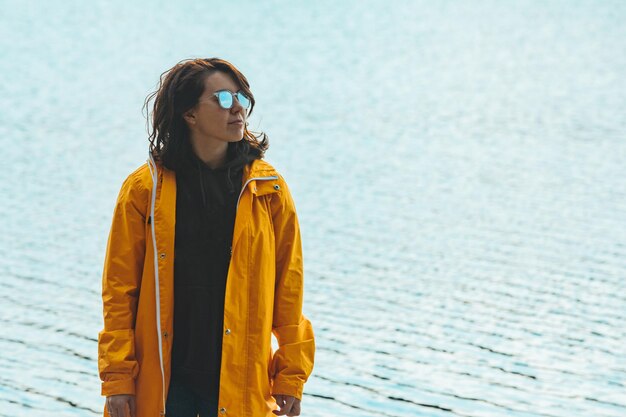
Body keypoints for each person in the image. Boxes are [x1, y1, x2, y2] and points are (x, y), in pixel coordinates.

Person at [97, 58, 315, 417]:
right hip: (166, 384)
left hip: (240, 380)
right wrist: (118, 379)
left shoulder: (268, 191)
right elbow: (120, 294)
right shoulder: (144, 190)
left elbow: (288, 290)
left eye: (241, 99)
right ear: (189, 114)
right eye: (223, 99)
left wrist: (291, 376)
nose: (238, 110)